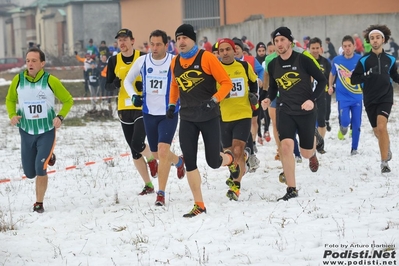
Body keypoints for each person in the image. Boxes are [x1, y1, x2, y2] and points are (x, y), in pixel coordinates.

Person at [167, 24, 237, 217]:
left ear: (192, 40)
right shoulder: (175, 62)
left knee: (214, 162)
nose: (181, 41)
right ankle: (199, 204)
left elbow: (226, 83)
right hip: (188, 117)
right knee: (189, 161)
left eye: (184, 38)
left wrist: (214, 100)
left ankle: (231, 159)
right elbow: (174, 85)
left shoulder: (206, 57)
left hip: (208, 116)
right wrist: (172, 104)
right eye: (178, 38)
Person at [261, 26, 327, 201]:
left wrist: (311, 100)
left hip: (305, 110)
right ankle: (292, 189)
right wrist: (268, 98)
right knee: (286, 147)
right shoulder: (273, 63)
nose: (279, 44)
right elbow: (274, 85)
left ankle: (313, 147)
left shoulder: (303, 59)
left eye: (282, 40)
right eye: (276, 41)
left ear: (290, 41)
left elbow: (322, 81)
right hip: (285, 110)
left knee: (305, 153)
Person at [5, 47, 74, 213]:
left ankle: (39, 203)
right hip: (26, 131)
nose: (30, 63)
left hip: (46, 131)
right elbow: (10, 99)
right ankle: (49, 155)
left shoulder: (51, 80)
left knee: (39, 168)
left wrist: (60, 117)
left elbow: (68, 100)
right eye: (28, 60)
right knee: (29, 173)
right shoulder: (18, 80)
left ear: (42, 63)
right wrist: (12, 114)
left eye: (34, 60)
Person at [123, 29, 185, 207]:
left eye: (159, 44)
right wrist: (133, 95)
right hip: (148, 114)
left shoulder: (174, 61)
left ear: (167, 45)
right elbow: (127, 81)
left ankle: (161, 193)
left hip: (168, 113)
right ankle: (180, 161)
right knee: (158, 154)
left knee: (163, 152)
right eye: (152, 44)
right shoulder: (142, 61)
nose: (155, 48)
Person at [105, 28, 159, 195]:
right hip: (123, 108)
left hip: (142, 106)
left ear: (132, 41)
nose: (122, 43)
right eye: (119, 40)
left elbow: (155, 77)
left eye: (125, 39)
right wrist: (114, 83)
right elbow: (106, 85)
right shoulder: (114, 61)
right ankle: (148, 185)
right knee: (134, 150)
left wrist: (143, 86)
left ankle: (151, 159)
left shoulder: (143, 57)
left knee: (137, 142)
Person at [351, 25, 399, 173]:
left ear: (383, 39)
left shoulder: (390, 59)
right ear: (369, 41)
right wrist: (365, 75)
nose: (375, 40)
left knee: (382, 126)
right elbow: (354, 79)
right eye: (372, 38)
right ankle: (387, 147)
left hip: (386, 96)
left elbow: (394, 76)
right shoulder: (364, 60)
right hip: (370, 98)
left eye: (378, 38)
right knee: (377, 131)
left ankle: (384, 162)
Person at [217, 38, 258, 201]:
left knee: (237, 151)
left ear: (235, 51)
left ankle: (235, 187)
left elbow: (254, 83)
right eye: (222, 50)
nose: (225, 53)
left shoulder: (244, 66)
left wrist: (254, 95)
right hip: (223, 116)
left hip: (243, 113)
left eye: (228, 49)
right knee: (229, 155)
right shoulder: (215, 69)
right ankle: (239, 169)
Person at [328, 35, 362, 155]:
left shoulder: (360, 59)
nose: (347, 48)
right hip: (343, 97)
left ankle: (354, 148)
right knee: (346, 121)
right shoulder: (337, 60)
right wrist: (330, 86)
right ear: (342, 47)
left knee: (357, 123)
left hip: (357, 95)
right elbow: (332, 74)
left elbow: (365, 75)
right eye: (345, 46)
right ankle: (343, 125)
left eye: (349, 46)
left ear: (354, 46)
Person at [308, 37, 331, 152]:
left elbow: (329, 78)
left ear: (321, 49)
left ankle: (320, 143)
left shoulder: (325, 62)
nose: (315, 50)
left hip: (322, 95)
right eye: (313, 48)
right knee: (310, 121)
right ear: (309, 49)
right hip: (308, 96)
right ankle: (311, 144)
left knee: (321, 121)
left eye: (317, 48)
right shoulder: (305, 61)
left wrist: (331, 87)